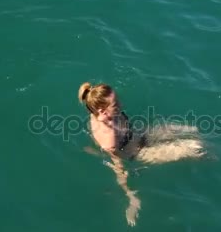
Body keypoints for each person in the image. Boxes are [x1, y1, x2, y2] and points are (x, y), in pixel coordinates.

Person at [78, 82, 207, 226]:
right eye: (115, 105)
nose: (120, 105)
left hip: (138, 134)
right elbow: (118, 167)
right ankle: (213, 158)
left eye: (118, 100)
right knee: (195, 147)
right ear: (103, 111)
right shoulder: (109, 139)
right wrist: (131, 198)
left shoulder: (94, 108)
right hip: (139, 153)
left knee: (189, 129)